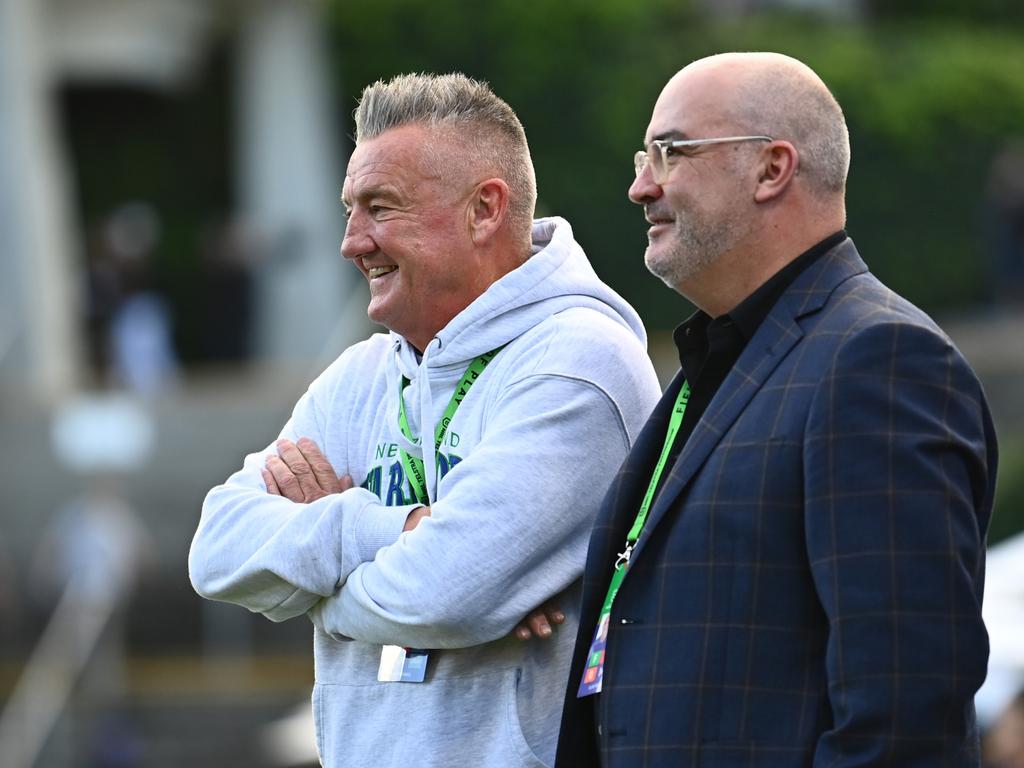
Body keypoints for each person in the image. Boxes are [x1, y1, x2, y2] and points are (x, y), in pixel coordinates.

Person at [188, 73, 661, 768]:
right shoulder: (360, 375)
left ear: (484, 210)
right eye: (351, 210)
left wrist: (317, 591)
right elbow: (217, 550)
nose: (353, 242)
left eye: (380, 208)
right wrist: (391, 528)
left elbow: (443, 595)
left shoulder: (578, 362)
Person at [555, 52, 998, 767]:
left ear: (772, 169)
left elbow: (906, 718)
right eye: (645, 156)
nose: (640, 186)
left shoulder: (878, 361)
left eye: (670, 152)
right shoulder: (718, 362)